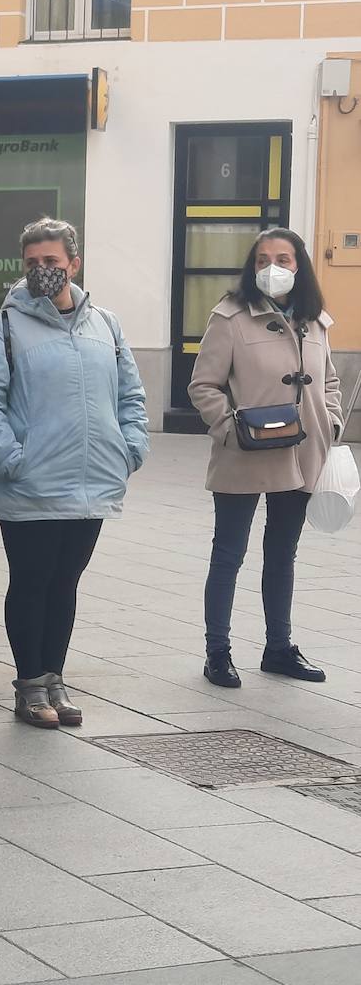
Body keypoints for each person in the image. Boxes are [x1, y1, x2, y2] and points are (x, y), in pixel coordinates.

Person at [0, 218, 149, 728]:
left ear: (73, 264)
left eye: (51, 262)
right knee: (32, 581)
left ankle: (55, 680)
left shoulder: (105, 325)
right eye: (32, 264)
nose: (42, 271)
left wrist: (129, 448)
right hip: (30, 485)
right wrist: (12, 459)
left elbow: (131, 396)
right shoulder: (1, 326)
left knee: (65, 583)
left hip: (92, 483)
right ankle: (28, 687)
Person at [189, 228, 342, 689]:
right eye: (262, 259)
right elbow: (203, 385)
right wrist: (230, 427)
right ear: (251, 266)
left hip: (301, 456)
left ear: (300, 266)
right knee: (228, 555)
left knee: (282, 555)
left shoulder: (315, 321)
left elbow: (329, 381)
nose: (272, 268)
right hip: (245, 454)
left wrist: (330, 422)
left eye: (283, 258)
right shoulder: (230, 317)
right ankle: (218, 652)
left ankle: (279, 648)